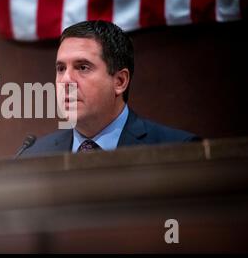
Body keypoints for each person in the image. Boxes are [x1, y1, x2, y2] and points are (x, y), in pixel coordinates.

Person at [19, 20, 200, 157]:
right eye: (61, 69)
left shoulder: (178, 150)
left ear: (120, 81)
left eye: (82, 67)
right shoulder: (33, 156)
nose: (66, 80)